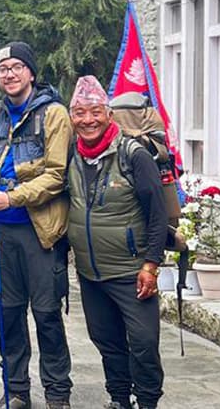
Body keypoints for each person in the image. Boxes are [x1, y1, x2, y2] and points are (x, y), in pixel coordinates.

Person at [0, 42, 73, 409]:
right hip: (0, 233)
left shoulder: (53, 114)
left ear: (30, 72)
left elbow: (57, 175)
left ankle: (57, 393)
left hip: (40, 231)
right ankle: (17, 391)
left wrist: (12, 197)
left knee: (46, 314)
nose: (9, 74)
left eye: (16, 67)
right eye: (2, 69)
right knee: (8, 314)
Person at [65, 76, 168, 409]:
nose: (88, 120)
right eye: (80, 113)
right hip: (90, 273)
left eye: (95, 111)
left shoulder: (133, 155)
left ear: (109, 114)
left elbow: (157, 214)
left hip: (131, 271)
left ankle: (148, 402)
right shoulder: (72, 155)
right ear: (71, 117)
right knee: (107, 342)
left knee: (143, 344)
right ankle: (119, 400)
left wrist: (151, 265)